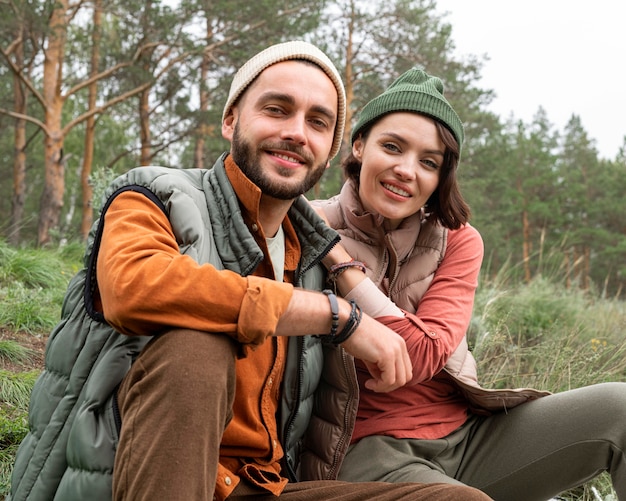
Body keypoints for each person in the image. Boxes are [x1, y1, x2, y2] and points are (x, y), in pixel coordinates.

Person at [8, 42, 492, 501]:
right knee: (196, 347)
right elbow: (134, 287)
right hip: (145, 479)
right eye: (277, 110)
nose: (297, 133)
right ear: (231, 118)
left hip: (267, 487)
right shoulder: (153, 194)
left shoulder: (313, 253)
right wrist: (332, 315)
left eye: (318, 122)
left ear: (330, 149)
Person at [311, 66, 626, 500]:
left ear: (442, 176)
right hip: (367, 449)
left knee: (621, 409)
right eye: (392, 147)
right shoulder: (304, 224)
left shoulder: (456, 241)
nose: (407, 170)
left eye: (428, 162)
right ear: (359, 144)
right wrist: (326, 242)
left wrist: (342, 265)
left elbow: (422, 354)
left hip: (468, 435)